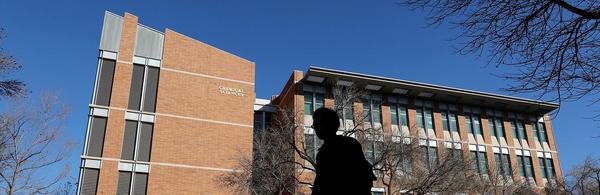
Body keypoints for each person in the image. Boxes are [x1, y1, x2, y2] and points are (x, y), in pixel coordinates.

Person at [311, 107, 376, 195]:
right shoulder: (323, 152)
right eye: (314, 125)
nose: (315, 127)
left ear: (329, 124)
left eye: (318, 123)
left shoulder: (348, 145)